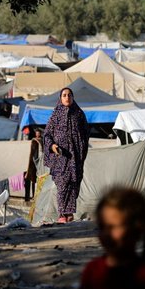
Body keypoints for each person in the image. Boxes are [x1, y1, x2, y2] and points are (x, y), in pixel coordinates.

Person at [44, 87, 89, 224]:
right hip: (60, 157)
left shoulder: (79, 114)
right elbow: (47, 135)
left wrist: (81, 148)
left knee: (73, 185)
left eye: (69, 95)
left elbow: (86, 133)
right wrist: (52, 146)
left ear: (73, 97)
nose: (67, 97)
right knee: (62, 184)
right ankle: (62, 213)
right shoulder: (55, 115)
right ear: (60, 98)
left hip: (75, 157)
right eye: (64, 95)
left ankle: (69, 214)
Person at [24, 128, 43, 201]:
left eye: (38, 133)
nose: (37, 134)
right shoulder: (33, 140)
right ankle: (32, 195)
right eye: (36, 133)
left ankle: (37, 195)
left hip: (39, 161)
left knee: (38, 178)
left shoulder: (41, 140)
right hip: (33, 161)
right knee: (32, 179)